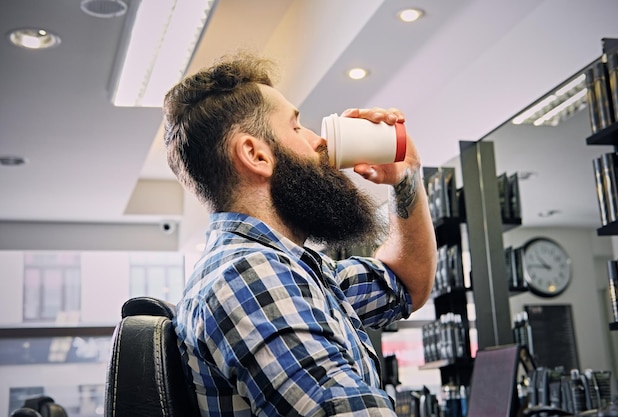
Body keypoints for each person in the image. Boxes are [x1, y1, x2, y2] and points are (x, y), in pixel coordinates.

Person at [164, 51, 437, 417]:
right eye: (295, 127)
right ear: (255, 155)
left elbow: (405, 283)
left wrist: (406, 176)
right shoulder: (249, 277)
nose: (318, 141)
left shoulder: (293, 270)